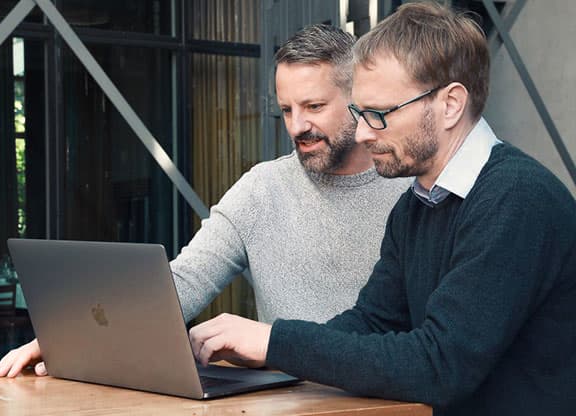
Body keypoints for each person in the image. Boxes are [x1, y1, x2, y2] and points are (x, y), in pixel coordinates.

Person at [188, 3, 576, 416]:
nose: (362, 132)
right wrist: (272, 350)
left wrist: (275, 343)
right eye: (359, 112)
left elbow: (439, 365)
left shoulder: (516, 198)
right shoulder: (417, 204)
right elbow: (372, 321)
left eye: (378, 114)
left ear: (450, 104)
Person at [0, 24, 411, 378]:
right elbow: (183, 280)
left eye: (314, 106)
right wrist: (70, 337)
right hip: (283, 403)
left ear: (357, 100)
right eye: (285, 109)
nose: (298, 125)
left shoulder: (409, 190)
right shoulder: (261, 189)